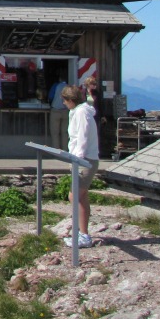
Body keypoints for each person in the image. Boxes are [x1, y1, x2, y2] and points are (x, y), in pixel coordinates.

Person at [61, 85, 99, 249]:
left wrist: (78, 158)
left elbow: (82, 136)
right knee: (81, 197)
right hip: (82, 158)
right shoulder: (78, 111)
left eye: (65, 100)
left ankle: (83, 234)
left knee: (74, 196)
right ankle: (82, 232)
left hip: (84, 159)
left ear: (70, 100)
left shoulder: (82, 113)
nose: (64, 104)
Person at [48, 76, 68, 148]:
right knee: (65, 132)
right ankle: (65, 150)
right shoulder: (68, 87)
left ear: (59, 79)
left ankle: (56, 151)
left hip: (55, 110)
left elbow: (50, 96)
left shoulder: (55, 86)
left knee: (55, 133)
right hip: (66, 111)